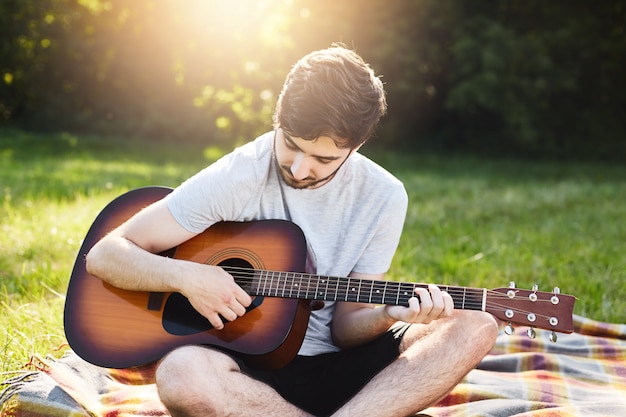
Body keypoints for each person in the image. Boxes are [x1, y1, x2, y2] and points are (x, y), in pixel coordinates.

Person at [85, 44, 498, 417]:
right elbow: (106, 255)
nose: (300, 169)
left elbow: (345, 326)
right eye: (292, 144)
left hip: (345, 376)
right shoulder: (240, 174)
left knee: (475, 325)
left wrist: (388, 314)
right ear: (278, 118)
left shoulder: (384, 196)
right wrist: (187, 276)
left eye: (322, 157)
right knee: (180, 375)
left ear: (356, 146)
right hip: (248, 371)